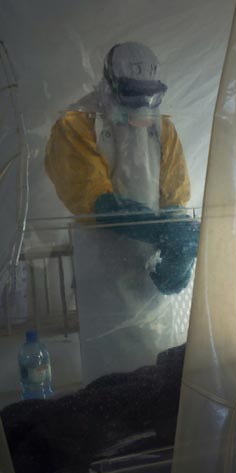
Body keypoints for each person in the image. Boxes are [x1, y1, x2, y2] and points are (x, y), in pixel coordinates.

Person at [44, 42, 198, 381]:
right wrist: (161, 230)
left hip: (151, 264)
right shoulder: (76, 124)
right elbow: (95, 201)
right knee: (110, 373)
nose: (143, 105)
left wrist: (181, 244)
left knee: (157, 362)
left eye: (151, 96)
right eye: (132, 94)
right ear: (109, 84)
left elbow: (174, 196)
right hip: (103, 270)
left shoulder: (163, 128)